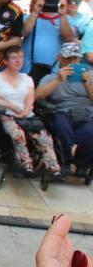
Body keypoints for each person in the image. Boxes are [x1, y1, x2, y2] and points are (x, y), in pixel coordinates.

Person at [0, 46, 64, 180]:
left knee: (44, 137)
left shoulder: (27, 78)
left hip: (26, 115)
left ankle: (53, 167)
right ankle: (25, 164)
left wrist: (26, 110)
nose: (18, 61)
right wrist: (13, 107)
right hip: (5, 114)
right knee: (18, 135)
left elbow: (30, 98)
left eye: (21, 57)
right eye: (14, 58)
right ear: (5, 61)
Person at [35, 43, 93, 177]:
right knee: (60, 126)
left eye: (75, 59)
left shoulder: (90, 76)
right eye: (68, 59)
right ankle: (64, 162)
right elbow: (37, 96)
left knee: (90, 133)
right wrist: (58, 81)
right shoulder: (51, 77)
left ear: (79, 60)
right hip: (62, 112)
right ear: (59, 58)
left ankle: (82, 164)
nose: (71, 62)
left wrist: (88, 85)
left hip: (87, 113)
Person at [21, 0, 72, 84]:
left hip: (54, 71)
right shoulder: (30, 17)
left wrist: (62, 15)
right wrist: (35, 12)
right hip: (27, 69)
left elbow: (68, 37)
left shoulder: (65, 19)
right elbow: (23, 32)